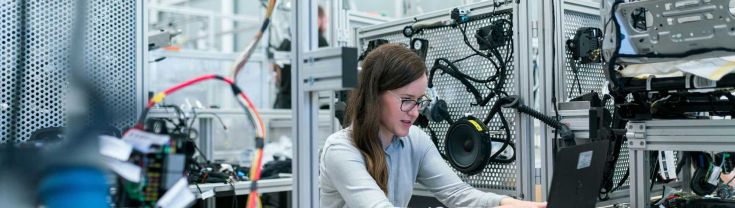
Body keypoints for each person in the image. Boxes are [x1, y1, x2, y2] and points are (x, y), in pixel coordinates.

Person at [319, 43, 547, 207]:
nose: (416, 112)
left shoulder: (415, 140)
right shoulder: (341, 150)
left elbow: (458, 194)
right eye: (407, 100)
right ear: (374, 95)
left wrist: (508, 204)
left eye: (420, 101)